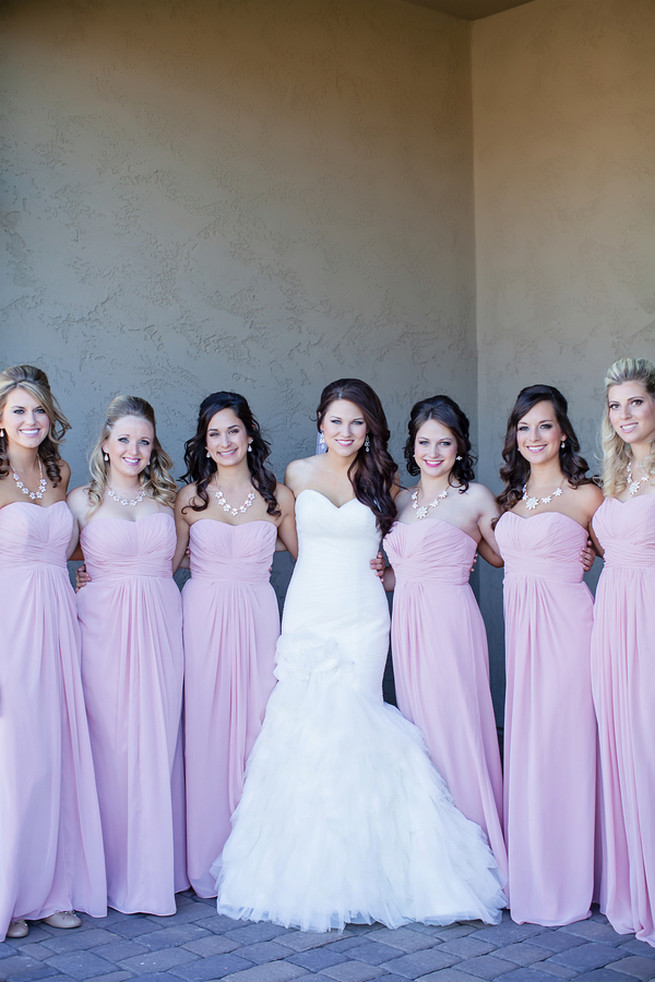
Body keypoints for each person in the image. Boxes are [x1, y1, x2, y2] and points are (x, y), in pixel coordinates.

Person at [214, 379, 506, 932]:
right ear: (320, 423)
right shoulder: (295, 477)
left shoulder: (388, 481)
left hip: (365, 615)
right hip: (308, 609)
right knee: (302, 724)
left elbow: (422, 533)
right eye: (335, 421)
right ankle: (307, 869)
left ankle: (375, 864)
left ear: (369, 426)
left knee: (356, 719)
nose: (345, 432)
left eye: (356, 422)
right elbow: (277, 537)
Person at [68, 395, 188, 915]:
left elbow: (183, 559)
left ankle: (151, 871)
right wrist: (85, 577)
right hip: (102, 628)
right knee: (110, 746)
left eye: (144, 440)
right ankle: (108, 871)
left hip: (162, 622)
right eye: (124, 439)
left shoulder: (171, 499)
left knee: (157, 739)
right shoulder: (80, 501)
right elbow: (52, 552)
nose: (134, 449)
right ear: (105, 444)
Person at [176, 391, 297, 898]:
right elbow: (163, 565)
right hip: (200, 619)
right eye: (214, 434)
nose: (224, 442)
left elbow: (314, 559)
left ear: (249, 435)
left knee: (256, 725)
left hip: (256, 619)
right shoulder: (187, 498)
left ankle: (254, 858)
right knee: (203, 728)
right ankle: (204, 857)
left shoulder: (278, 498)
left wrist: (381, 567)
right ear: (204, 443)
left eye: (233, 431)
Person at [382, 395, 507, 884]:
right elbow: (398, 575)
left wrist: (578, 551)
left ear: (459, 447)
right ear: (412, 447)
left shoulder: (474, 497)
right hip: (406, 623)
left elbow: (506, 556)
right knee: (418, 730)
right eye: (425, 442)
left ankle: (475, 851)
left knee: (455, 726)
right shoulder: (399, 500)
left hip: (451, 623)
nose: (433, 451)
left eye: (445, 442)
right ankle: (431, 852)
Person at [0, 364, 106, 942]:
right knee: (16, 757)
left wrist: (88, 571)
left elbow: (62, 543)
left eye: (38, 409)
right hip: (9, 623)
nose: (30, 420)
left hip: (58, 618)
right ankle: (11, 892)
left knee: (56, 750)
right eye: (18, 410)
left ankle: (50, 889)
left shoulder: (59, 470)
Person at [494, 384, 603, 926]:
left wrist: (585, 550)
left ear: (563, 432)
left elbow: (628, 548)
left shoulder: (587, 496)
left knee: (566, 744)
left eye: (544, 425)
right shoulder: (506, 500)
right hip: (523, 637)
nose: (533, 437)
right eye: (524, 427)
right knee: (530, 745)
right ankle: (534, 869)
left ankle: (574, 875)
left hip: (568, 632)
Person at [591, 357, 655, 947]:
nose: (625, 414)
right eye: (615, 405)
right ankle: (634, 883)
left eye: (635, 401)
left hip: (650, 612)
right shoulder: (616, 480)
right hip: (612, 614)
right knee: (622, 742)